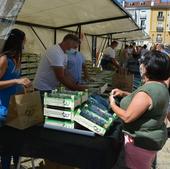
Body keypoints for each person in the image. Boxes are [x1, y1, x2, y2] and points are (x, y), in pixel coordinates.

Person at [109, 51, 170, 169]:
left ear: (147, 68)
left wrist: (112, 104)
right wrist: (124, 93)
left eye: (142, 63)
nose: (140, 66)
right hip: (151, 139)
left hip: (140, 143)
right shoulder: (161, 85)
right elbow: (146, 102)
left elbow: (127, 117)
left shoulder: (148, 91)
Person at [0, 29, 31, 169]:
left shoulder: (15, 59)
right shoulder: (4, 59)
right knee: (6, 148)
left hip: (15, 110)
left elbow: (16, 81)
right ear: (18, 41)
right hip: (4, 111)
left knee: (16, 146)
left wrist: (25, 85)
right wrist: (17, 81)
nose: (25, 43)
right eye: (24, 40)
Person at [33, 34, 87, 100]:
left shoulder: (64, 54)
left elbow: (65, 72)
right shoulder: (55, 52)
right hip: (42, 88)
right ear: (69, 42)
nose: (75, 49)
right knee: (43, 108)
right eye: (74, 47)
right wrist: (75, 88)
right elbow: (61, 76)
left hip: (51, 87)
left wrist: (75, 83)